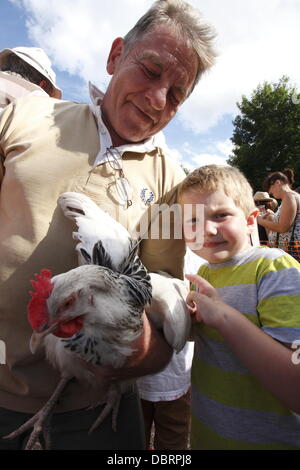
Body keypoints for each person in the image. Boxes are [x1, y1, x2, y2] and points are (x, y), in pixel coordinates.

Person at [0, 0, 216, 450]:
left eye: (176, 94)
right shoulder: (27, 117)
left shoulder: (170, 183)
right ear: (116, 55)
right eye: (151, 70)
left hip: (96, 413)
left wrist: (138, 356)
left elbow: (165, 291)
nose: (158, 98)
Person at [179, 164, 300, 450]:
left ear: (250, 220)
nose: (206, 229)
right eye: (192, 220)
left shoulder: (276, 269)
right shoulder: (205, 274)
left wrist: (224, 318)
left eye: (221, 215)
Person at [258, 169, 300, 258]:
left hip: (291, 250)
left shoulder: (289, 196)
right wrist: (272, 214)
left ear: (277, 182)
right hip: (290, 248)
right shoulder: (292, 196)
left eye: (272, 191)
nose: (272, 195)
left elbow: (283, 227)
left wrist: (260, 221)